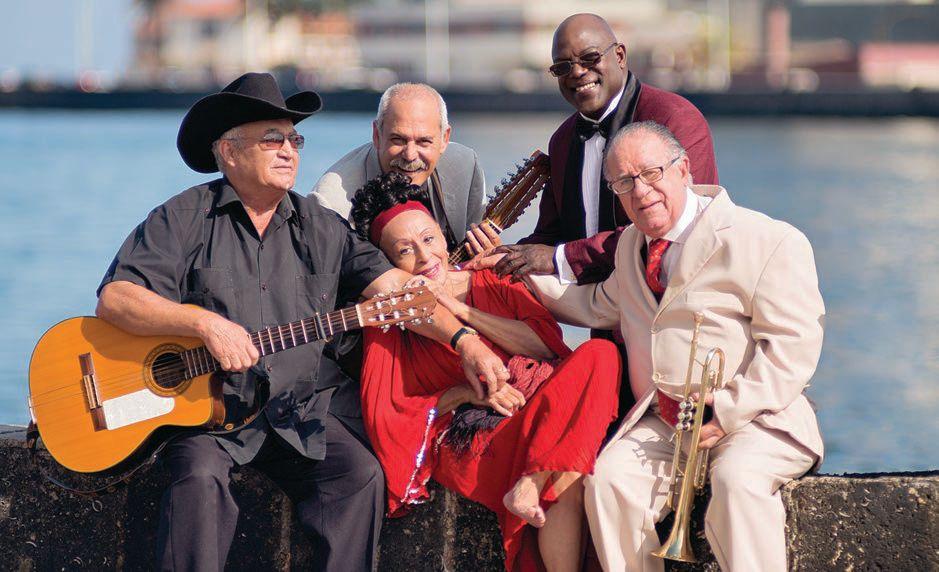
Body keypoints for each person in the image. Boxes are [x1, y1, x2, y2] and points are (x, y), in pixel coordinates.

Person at [95, 72, 510, 572]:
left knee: (359, 478)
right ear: (229, 152)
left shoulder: (322, 227)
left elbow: (401, 293)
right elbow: (116, 298)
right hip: (208, 417)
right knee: (197, 480)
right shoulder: (181, 217)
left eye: (295, 140)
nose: (289, 151)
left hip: (296, 413)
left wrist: (464, 340)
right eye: (273, 139)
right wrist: (203, 324)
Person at [527, 121, 824, 572]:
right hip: (666, 424)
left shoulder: (767, 239)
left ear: (683, 169)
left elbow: (794, 346)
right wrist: (512, 275)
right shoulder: (631, 245)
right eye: (624, 182)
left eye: (651, 174)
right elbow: (594, 304)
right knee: (609, 481)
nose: (640, 191)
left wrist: (727, 411)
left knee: (737, 482)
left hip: (757, 419)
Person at [349, 172, 621, 572]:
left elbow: (544, 347)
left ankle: (530, 483)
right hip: (477, 430)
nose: (425, 257)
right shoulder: (392, 317)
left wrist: (461, 310)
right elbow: (390, 413)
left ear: (443, 236)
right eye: (405, 251)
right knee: (566, 476)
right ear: (388, 264)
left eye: (429, 239)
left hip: (537, 405)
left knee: (601, 352)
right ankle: (533, 482)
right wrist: (468, 393)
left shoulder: (490, 277)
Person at [494, 13, 717, 284]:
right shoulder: (562, 139)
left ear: (620, 56)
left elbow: (678, 227)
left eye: (589, 58)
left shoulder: (675, 118)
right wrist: (497, 255)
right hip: (591, 306)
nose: (577, 72)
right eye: (563, 67)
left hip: (670, 298)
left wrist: (560, 258)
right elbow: (549, 238)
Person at [311, 82, 496, 253]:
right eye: (398, 140)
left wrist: (490, 258)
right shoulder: (331, 203)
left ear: (445, 138)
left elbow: (475, 256)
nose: (410, 155)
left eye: (424, 142)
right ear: (376, 135)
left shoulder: (465, 165)